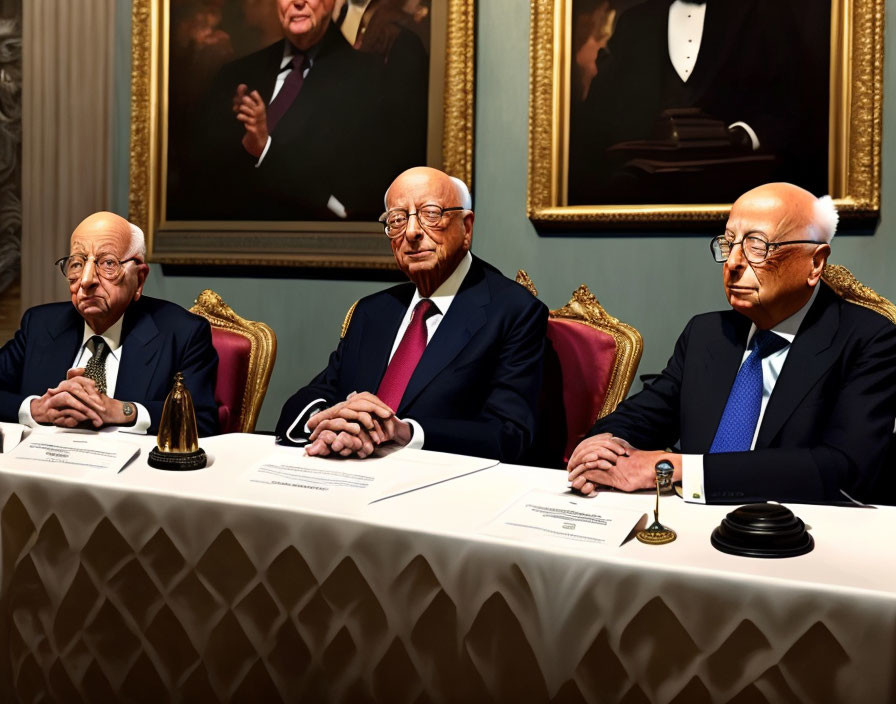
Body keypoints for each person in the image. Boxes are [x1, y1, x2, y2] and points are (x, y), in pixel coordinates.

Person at [568, 183, 896, 504]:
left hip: (795, 536)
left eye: (757, 246)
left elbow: (845, 470)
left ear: (815, 263)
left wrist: (676, 468)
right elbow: (647, 413)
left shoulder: (868, 339)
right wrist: (604, 443)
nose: (733, 263)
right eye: (728, 244)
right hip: (689, 526)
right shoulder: (707, 332)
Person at [276, 167, 548, 462]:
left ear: (466, 228)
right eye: (397, 219)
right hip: (348, 477)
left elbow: (509, 435)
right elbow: (309, 398)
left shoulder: (513, 312)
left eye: (431, 214)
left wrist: (406, 432)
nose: (412, 232)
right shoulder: (373, 311)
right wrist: (325, 422)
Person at [174, 0, 424, 222]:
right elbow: (197, 178)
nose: (297, 2)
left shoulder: (368, 79)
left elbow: (349, 201)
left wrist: (265, 149)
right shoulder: (235, 74)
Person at [568, 0, 826, 204]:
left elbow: (795, 102)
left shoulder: (763, 11)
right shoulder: (634, 23)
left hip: (741, 188)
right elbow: (599, 119)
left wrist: (746, 136)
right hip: (647, 196)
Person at [0, 212, 219, 436]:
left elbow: (201, 419)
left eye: (107, 263)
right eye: (77, 263)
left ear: (139, 279)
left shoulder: (182, 333)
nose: (86, 280)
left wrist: (122, 410)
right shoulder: (39, 324)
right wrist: (36, 409)